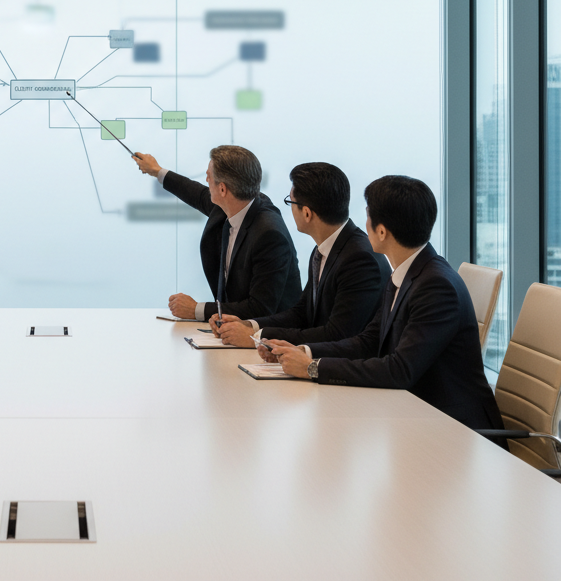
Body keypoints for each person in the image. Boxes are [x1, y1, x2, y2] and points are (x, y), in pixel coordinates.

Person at [267, 175, 506, 433]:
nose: (364, 223)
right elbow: (368, 341)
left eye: (368, 215)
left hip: (457, 430)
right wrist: (305, 352)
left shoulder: (437, 287)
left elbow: (399, 369)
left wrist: (314, 368)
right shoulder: (406, 273)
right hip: (415, 415)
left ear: (382, 231)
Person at [215, 162, 390, 347]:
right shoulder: (325, 248)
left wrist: (257, 337)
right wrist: (249, 325)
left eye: (290, 202)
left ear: (307, 213)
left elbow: (337, 334)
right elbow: (301, 312)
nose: (290, 209)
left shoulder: (359, 259)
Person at [133, 145, 300, 321]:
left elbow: (260, 308)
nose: (206, 179)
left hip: (270, 339)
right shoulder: (236, 202)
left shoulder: (270, 235)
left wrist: (197, 310)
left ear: (222, 189)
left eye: (209, 176)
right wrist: (157, 171)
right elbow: (195, 193)